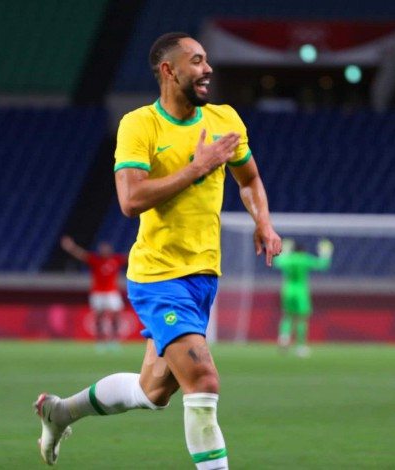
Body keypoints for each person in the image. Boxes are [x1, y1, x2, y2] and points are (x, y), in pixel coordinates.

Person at [34, 32, 282, 468]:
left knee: (153, 392)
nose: (207, 69)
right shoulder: (140, 125)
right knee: (203, 380)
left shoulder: (225, 119)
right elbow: (130, 199)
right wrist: (197, 167)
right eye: (196, 61)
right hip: (159, 277)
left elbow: (249, 179)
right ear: (169, 70)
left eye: (207, 60)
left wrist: (263, 221)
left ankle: (61, 412)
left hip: (203, 276)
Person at [61, 236, 127, 349]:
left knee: (116, 315)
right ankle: (100, 340)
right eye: (102, 249)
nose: (104, 251)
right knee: (99, 316)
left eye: (106, 249)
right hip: (97, 293)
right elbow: (82, 255)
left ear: (110, 250)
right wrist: (71, 247)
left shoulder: (116, 260)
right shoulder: (96, 260)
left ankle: (114, 339)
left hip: (112, 292)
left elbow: (130, 257)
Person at [273, 238, 333, 357]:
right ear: (303, 251)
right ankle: (300, 347)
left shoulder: (288, 259)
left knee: (287, 316)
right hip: (301, 292)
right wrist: (326, 253)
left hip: (288, 290)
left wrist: (282, 251)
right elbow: (322, 265)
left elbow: (276, 262)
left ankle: (284, 337)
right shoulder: (304, 259)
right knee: (301, 319)